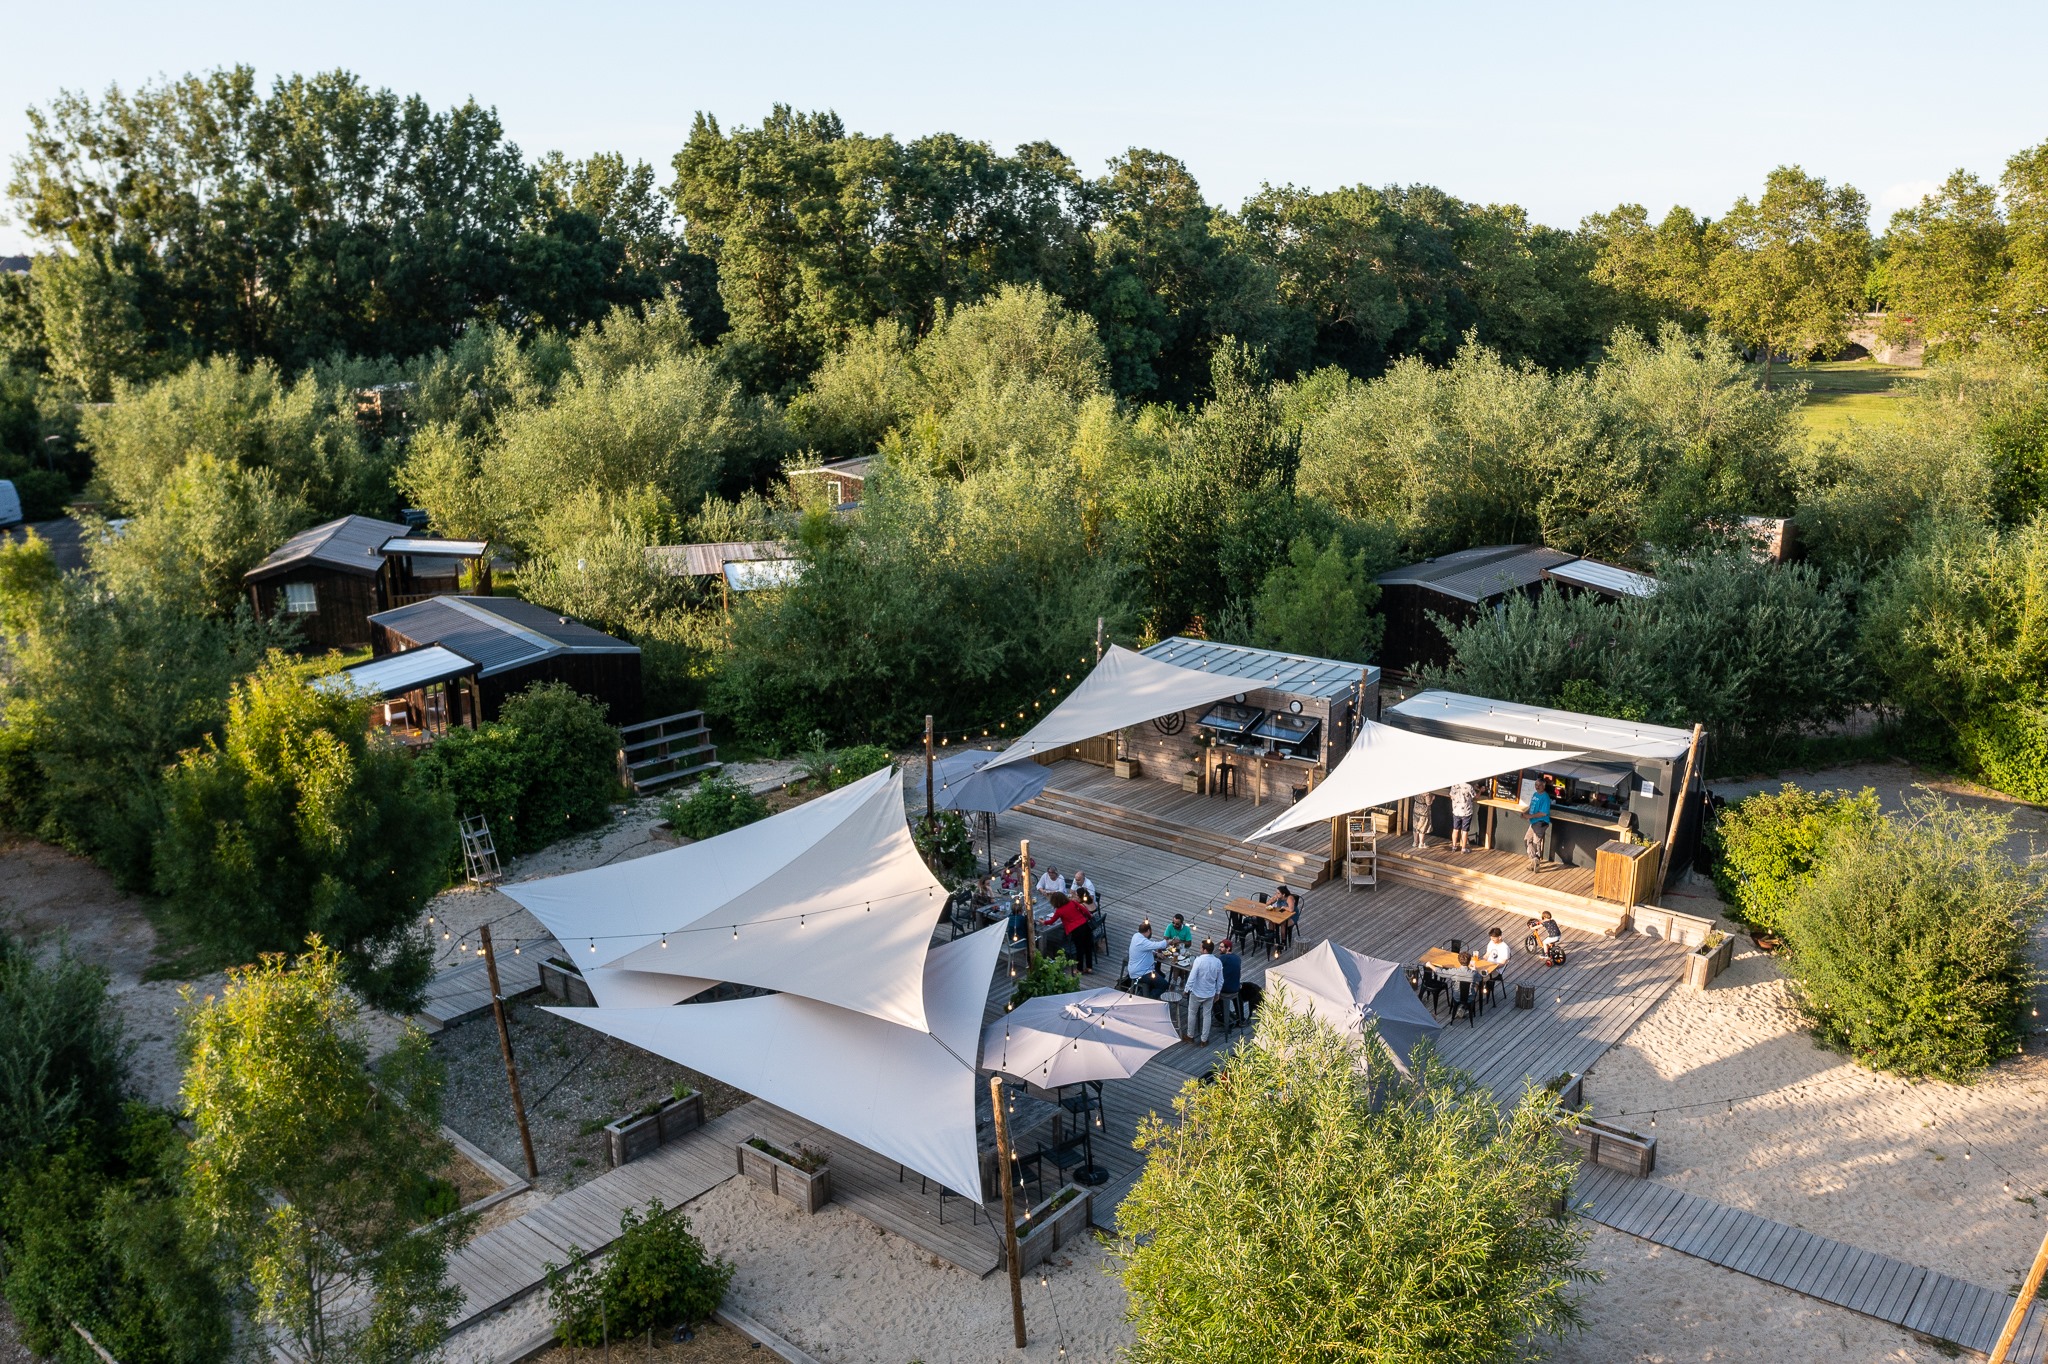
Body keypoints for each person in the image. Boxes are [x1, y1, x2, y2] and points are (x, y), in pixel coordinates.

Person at [1184, 939, 1224, 1044]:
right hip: (1210, 993)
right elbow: (1220, 979)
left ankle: (1190, 1035)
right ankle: (1204, 1040)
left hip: (1197, 992)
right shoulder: (1217, 962)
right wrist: (1218, 993)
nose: (1200, 949)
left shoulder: (1198, 960)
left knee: (1192, 1013)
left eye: (1201, 947)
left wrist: (1186, 989)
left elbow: (1192, 976)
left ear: (1205, 949)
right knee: (1207, 1016)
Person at [1052, 892, 1094, 972]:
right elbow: (1085, 910)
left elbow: (1051, 921)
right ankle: (1089, 967)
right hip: (1085, 925)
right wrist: (1089, 917)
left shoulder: (1059, 911)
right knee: (1088, 946)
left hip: (1076, 930)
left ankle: (1079, 969)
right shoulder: (1073, 902)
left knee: (1079, 949)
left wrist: (1043, 922)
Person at [1127, 920, 1163, 997]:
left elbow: (1145, 949)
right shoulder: (1142, 941)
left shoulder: (1136, 936)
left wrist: (1156, 954)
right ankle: (1148, 999)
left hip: (1137, 969)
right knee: (1163, 984)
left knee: (1161, 975)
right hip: (1142, 973)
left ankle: (1142, 992)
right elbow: (1158, 945)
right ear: (1148, 931)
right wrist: (1169, 942)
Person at [1449, 780, 1478, 853]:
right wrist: (1480, 790)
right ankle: (1463, 848)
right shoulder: (1468, 786)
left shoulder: (1454, 785)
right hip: (1466, 812)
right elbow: (1476, 796)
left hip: (1456, 811)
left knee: (1455, 829)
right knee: (1464, 831)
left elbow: (1451, 796)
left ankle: (1454, 847)